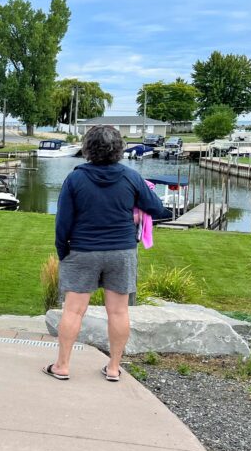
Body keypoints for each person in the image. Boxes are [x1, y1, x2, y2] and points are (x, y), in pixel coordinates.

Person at [45, 125, 171, 382]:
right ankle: (113, 368)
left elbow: (63, 222)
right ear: (119, 149)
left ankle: (62, 366)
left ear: (87, 148)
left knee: (73, 311)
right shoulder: (131, 177)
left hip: (82, 250)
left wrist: (63, 251)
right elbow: (157, 208)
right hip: (121, 251)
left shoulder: (75, 179)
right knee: (118, 312)